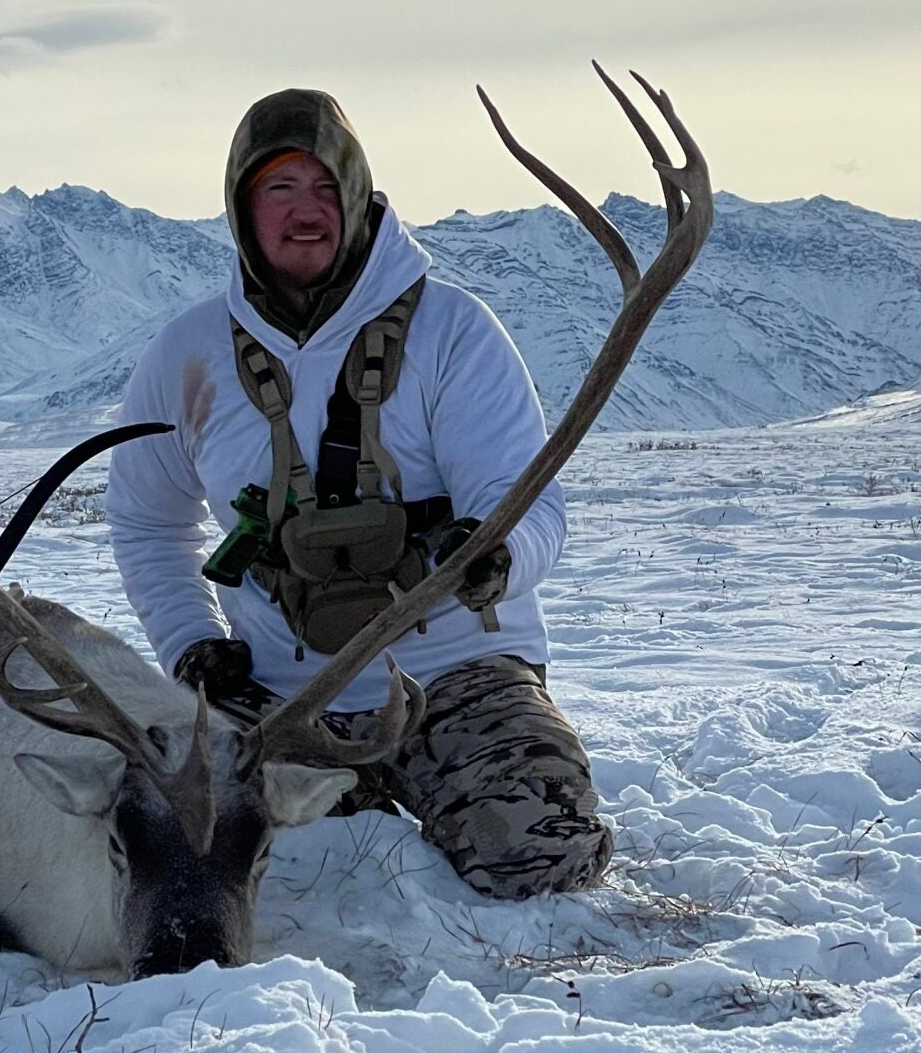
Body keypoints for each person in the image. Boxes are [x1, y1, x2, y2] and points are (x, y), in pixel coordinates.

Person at [105, 87, 610, 899]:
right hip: (281, 693)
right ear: (242, 207)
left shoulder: (455, 333)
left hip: (458, 673)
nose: (306, 213)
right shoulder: (188, 355)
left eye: (325, 189)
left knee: (537, 862)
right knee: (197, 860)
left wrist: (495, 557)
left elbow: (529, 502)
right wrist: (190, 645)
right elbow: (145, 522)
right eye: (280, 189)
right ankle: (358, 796)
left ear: (360, 195)